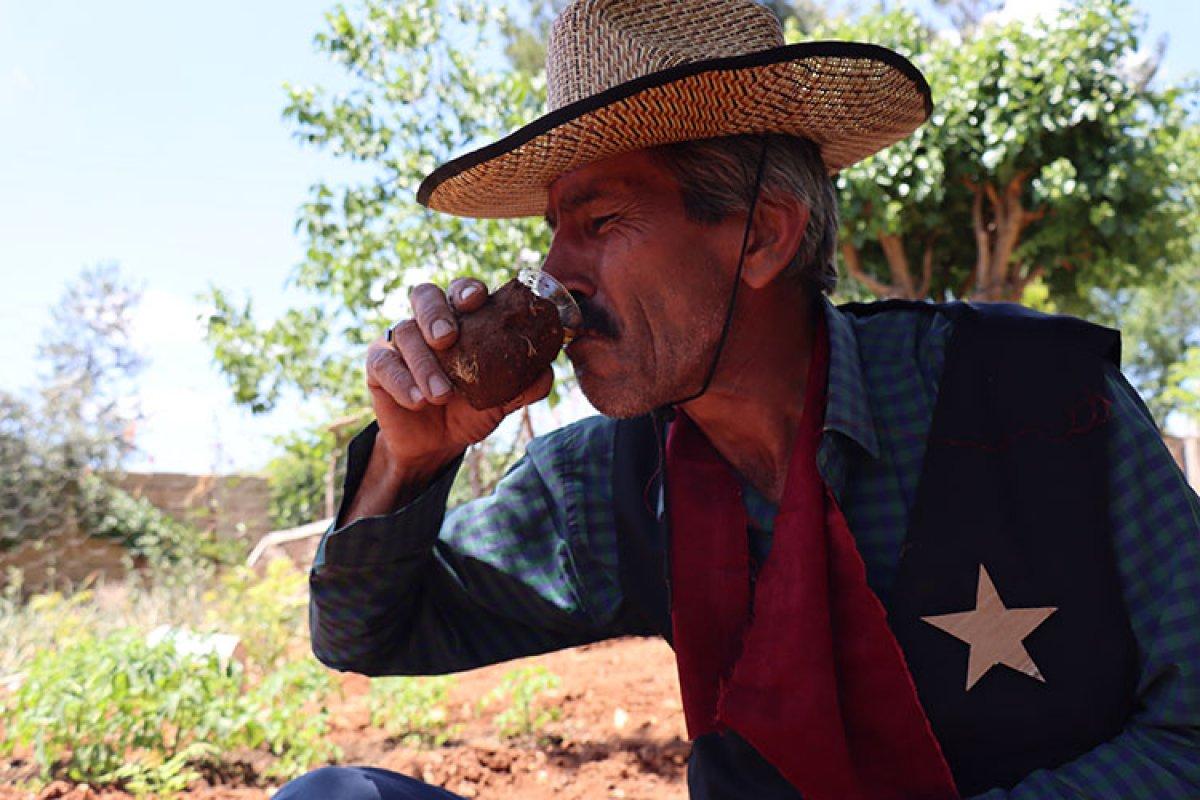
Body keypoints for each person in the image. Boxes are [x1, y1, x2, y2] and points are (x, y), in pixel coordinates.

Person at [276, 1, 1200, 798]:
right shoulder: (610, 482)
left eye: (600, 223)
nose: (554, 274)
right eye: (553, 230)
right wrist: (413, 457)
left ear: (761, 236)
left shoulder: (1038, 399)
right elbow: (363, 632)